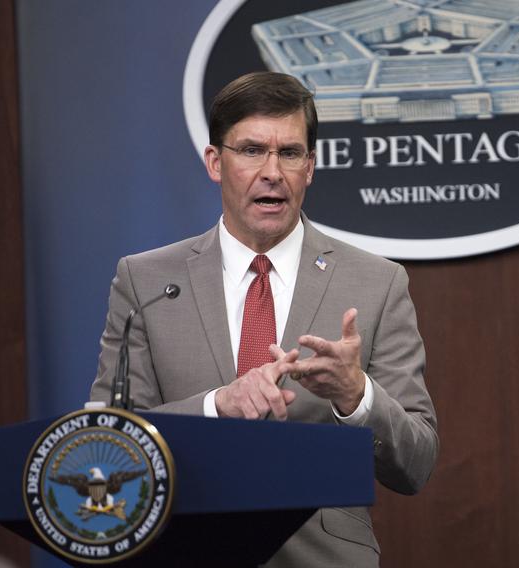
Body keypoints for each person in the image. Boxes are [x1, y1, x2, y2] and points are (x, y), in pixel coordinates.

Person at [90, 71, 438, 567]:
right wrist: (217, 406)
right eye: (252, 150)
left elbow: (417, 463)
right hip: (181, 551)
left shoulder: (376, 283)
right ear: (216, 161)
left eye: (290, 153)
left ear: (310, 167)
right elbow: (109, 440)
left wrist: (355, 396)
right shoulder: (146, 281)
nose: (272, 171)